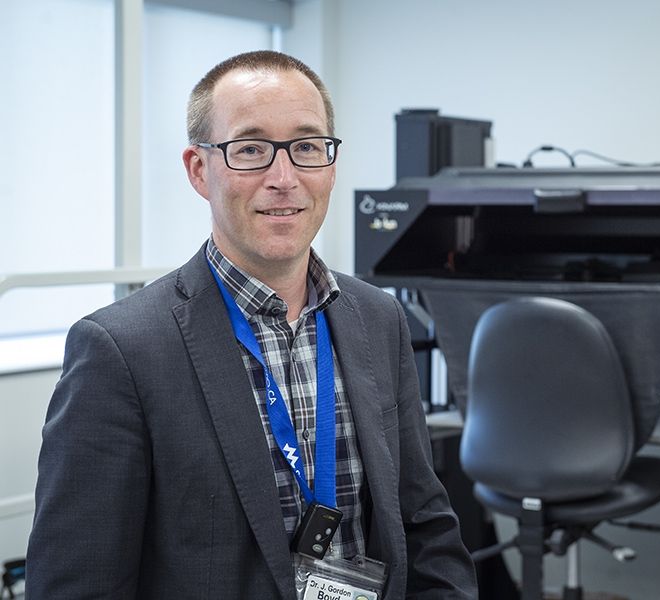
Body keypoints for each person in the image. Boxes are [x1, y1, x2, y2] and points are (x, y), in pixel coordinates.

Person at [26, 50, 477, 599]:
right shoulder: (120, 351)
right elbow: (80, 580)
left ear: (330, 166)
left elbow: (424, 523)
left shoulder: (378, 318)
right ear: (199, 169)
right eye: (251, 150)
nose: (284, 178)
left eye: (307, 147)